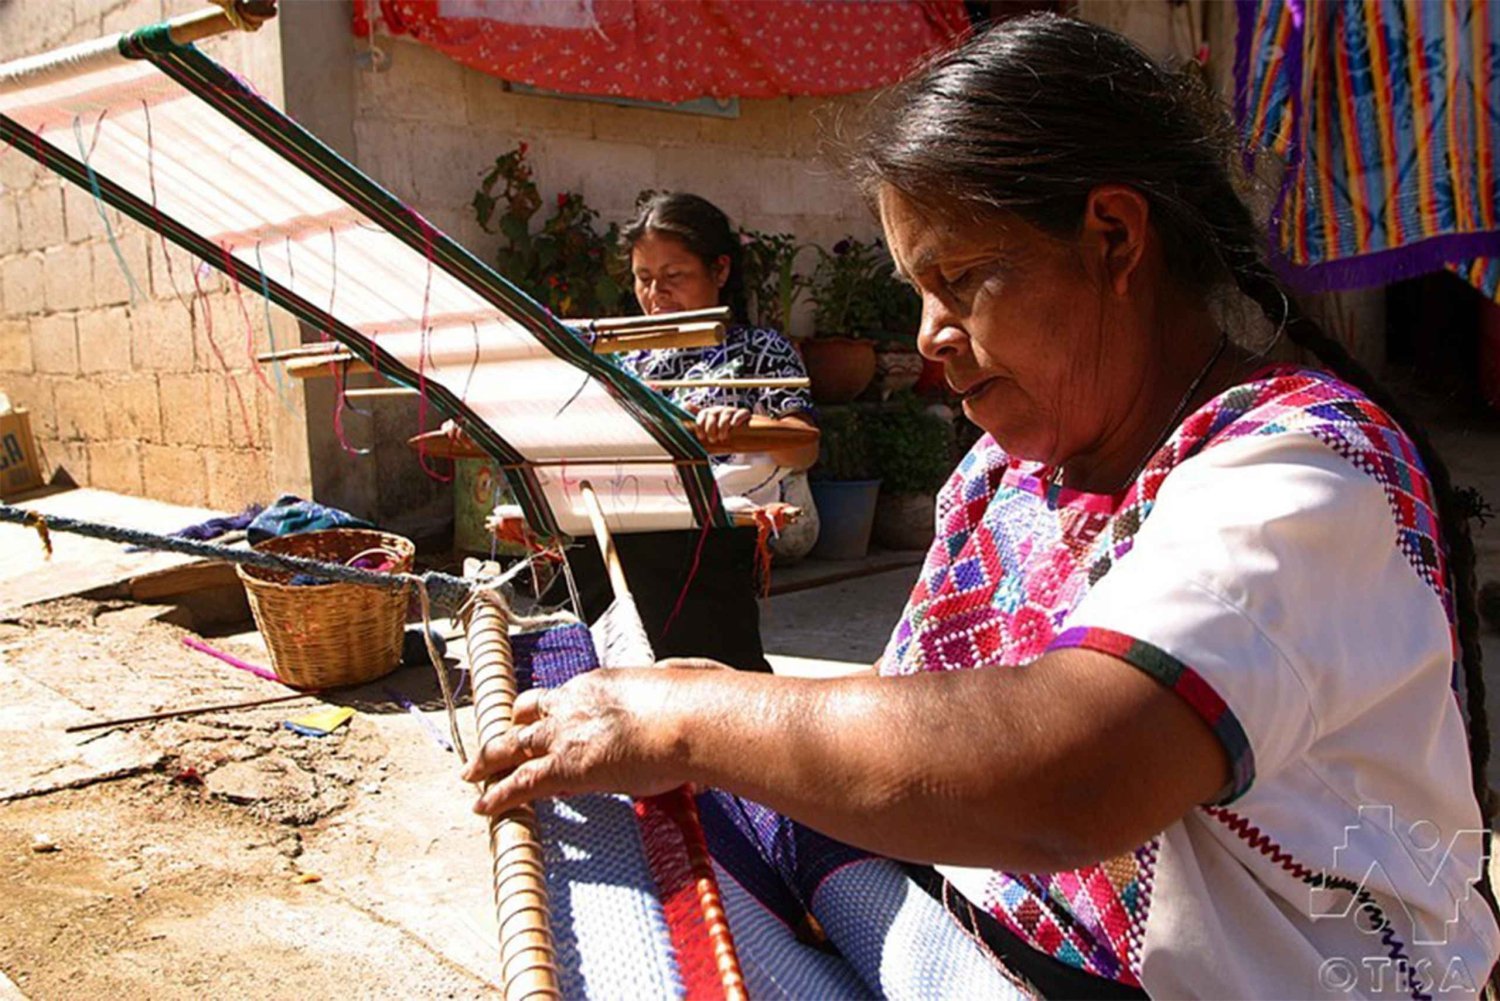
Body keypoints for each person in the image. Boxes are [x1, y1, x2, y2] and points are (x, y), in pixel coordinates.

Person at [464, 15, 1500, 997]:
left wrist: (691, 713)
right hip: (966, 938)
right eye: (918, 290)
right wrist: (717, 714)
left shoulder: (1307, 473)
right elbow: (923, 719)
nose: (927, 335)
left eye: (958, 279)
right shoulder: (1009, 475)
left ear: (1112, 237)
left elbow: (1073, 772)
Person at [555, 191, 818, 673]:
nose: (656, 295)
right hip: (618, 532)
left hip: (707, 546)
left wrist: (743, 427)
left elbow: (803, 446)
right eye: (643, 279)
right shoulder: (622, 358)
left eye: (674, 277)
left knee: (713, 683)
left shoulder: (758, 351)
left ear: (719, 272)